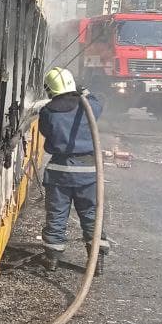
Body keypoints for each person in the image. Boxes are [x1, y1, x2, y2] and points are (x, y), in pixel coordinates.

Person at [38, 66, 109, 274]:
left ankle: (52, 259)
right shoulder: (88, 107)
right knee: (90, 215)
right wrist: (84, 91)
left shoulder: (48, 112)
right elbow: (100, 101)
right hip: (88, 173)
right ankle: (96, 261)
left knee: (57, 215)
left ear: (50, 89)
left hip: (59, 172)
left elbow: (45, 132)